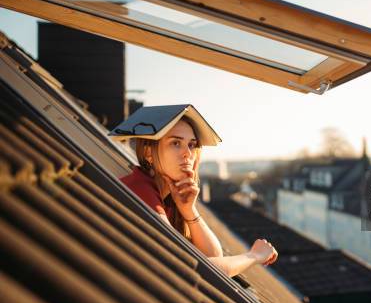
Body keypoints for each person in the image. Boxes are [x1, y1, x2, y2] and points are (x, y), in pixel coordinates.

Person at [112, 105, 278, 277]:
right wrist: (254, 256)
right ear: (148, 153)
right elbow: (197, 268)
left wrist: (188, 210)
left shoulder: (167, 197)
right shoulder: (139, 190)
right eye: (176, 143)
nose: (187, 153)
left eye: (191, 145)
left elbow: (214, 256)